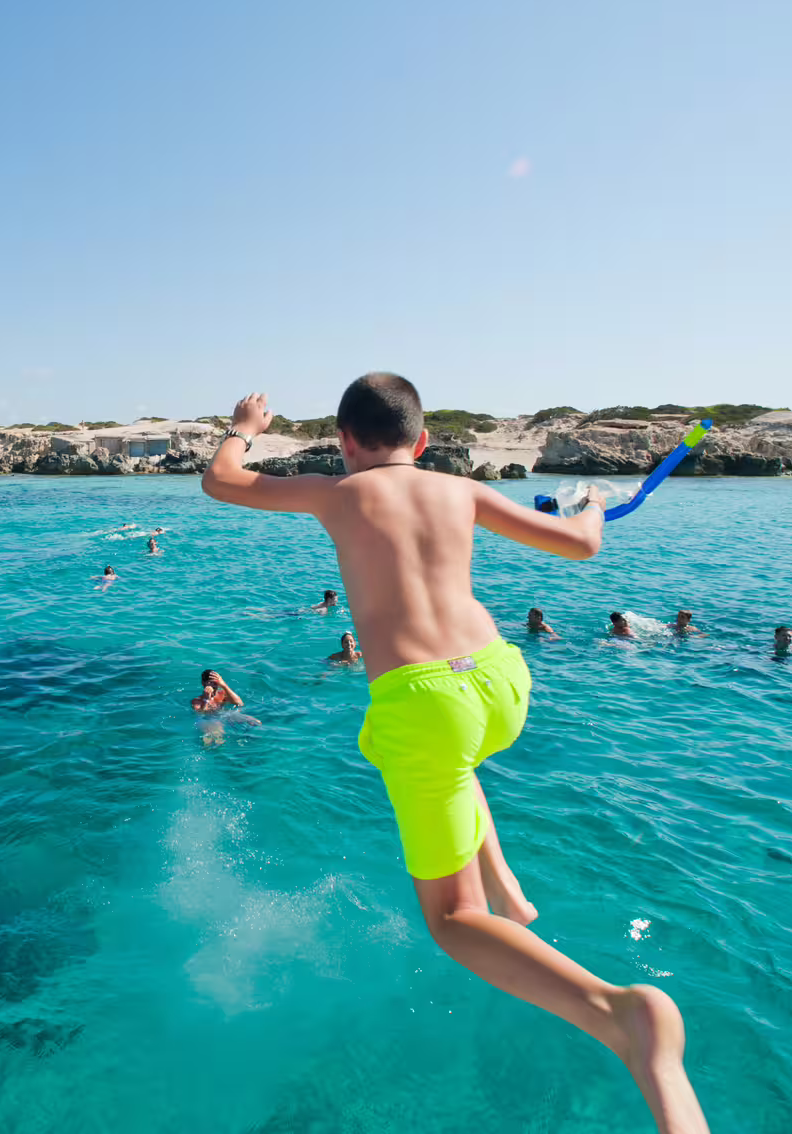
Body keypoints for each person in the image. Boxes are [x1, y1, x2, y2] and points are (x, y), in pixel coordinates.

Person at [201, 374, 707, 1134]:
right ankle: (510, 890)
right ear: (425, 441)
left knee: (449, 920)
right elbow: (581, 546)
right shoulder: (458, 490)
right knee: (456, 764)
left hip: (425, 702)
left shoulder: (337, 495)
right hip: (500, 680)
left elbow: (222, 481)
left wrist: (245, 426)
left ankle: (620, 1016)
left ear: (344, 443)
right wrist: (594, 505)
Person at [191, 669, 258, 744]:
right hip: (210, 719)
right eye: (210, 683)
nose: (213, 686)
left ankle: (244, 739)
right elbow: (202, 714)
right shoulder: (197, 701)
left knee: (256, 722)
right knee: (217, 740)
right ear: (203, 683)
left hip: (225, 714)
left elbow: (239, 703)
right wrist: (206, 699)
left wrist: (224, 685)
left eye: (216, 683)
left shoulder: (222, 694)